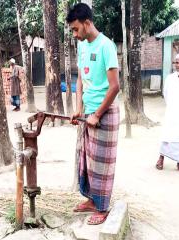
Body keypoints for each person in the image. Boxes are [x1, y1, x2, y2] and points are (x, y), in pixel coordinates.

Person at [66, 3, 120, 225]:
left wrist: (97, 114)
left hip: (104, 113)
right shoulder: (82, 47)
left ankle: (103, 207)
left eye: (76, 29)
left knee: (102, 165)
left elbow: (115, 86)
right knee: (87, 162)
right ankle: (91, 200)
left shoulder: (106, 46)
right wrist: (78, 108)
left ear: (87, 23)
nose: (75, 34)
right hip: (87, 113)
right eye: (72, 30)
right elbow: (80, 80)